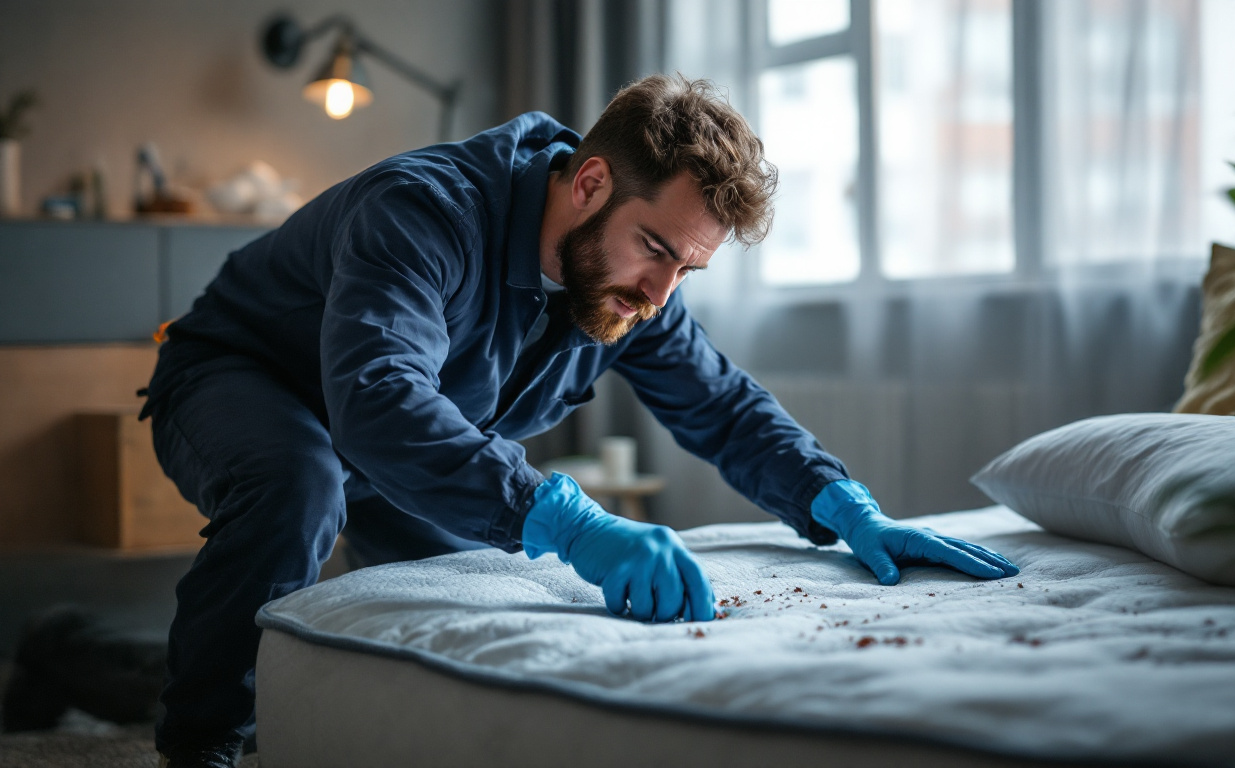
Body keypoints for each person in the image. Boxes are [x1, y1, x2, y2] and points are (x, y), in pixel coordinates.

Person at [139, 73, 1019, 767]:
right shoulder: (422, 211)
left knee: (455, 619)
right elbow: (377, 399)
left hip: (402, 439)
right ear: (590, 181)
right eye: (658, 250)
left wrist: (839, 501)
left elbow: (721, 403)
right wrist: (565, 516)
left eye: (688, 271)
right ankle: (200, 743)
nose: (659, 293)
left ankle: (102, 659)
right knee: (302, 486)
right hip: (243, 379)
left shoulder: (629, 283)